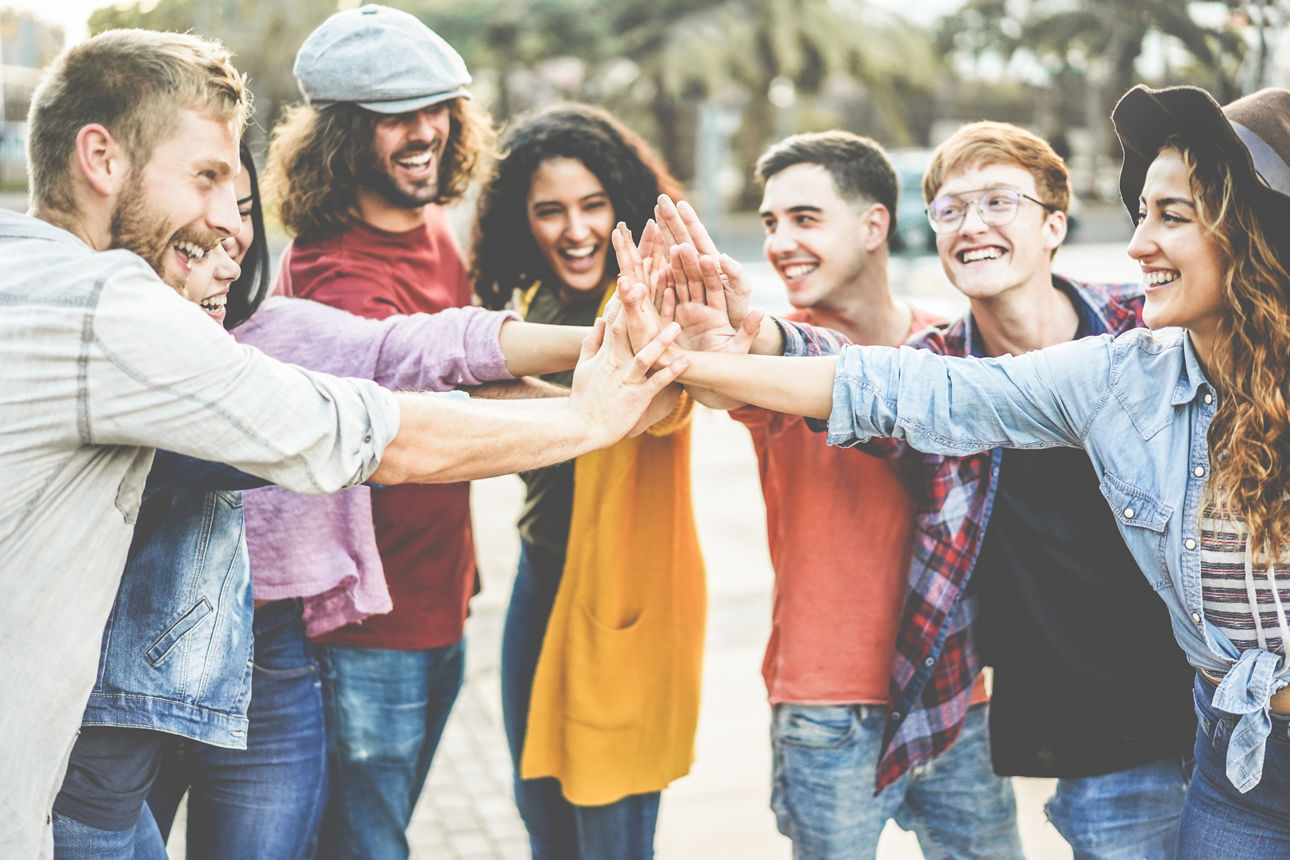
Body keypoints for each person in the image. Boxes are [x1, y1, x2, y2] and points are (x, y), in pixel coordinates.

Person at [1, 27, 684, 858]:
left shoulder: (34, 274)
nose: (233, 226)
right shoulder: (110, 306)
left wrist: (604, 353)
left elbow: (411, 351)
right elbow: (367, 428)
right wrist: (594, 416)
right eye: (207, 178)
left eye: (240, 195)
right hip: (89, 760)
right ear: (100, 159)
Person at [622, 84, 1290, 857]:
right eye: (1141, 213)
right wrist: (727, 349)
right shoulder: (1118, 375)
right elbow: (901, 389)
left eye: (1171, 216)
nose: (1140, 242)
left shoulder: (1116, 314)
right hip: (1226, 758)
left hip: (1172, 719)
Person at [733, 130, 1020, 859]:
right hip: (826, 704)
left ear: (874, 226)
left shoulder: (955, 342)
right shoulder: (773, 353)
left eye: (804, 218)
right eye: (770, 223)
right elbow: (714, 376)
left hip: (957, 692)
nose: (780, 242)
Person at [256, 8, 497, 855]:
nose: (427, 129)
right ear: (343, 137)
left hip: (438, 602)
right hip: (366, 628)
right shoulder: (333, 274)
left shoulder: (430, 228)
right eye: (397, 114)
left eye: (438, 107)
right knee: (366, 846)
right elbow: (423, 432)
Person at [471, 103, 703, 860]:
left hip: (622, 589)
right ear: (521, 220)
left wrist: (489, 392)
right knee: (542, 815)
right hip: (542, 575)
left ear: (622, 207)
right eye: (550, 211)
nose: (576, 229)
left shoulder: (642, 298)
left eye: (593, 205)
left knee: (608, 831)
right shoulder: (537, 300)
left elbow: (664, 405)